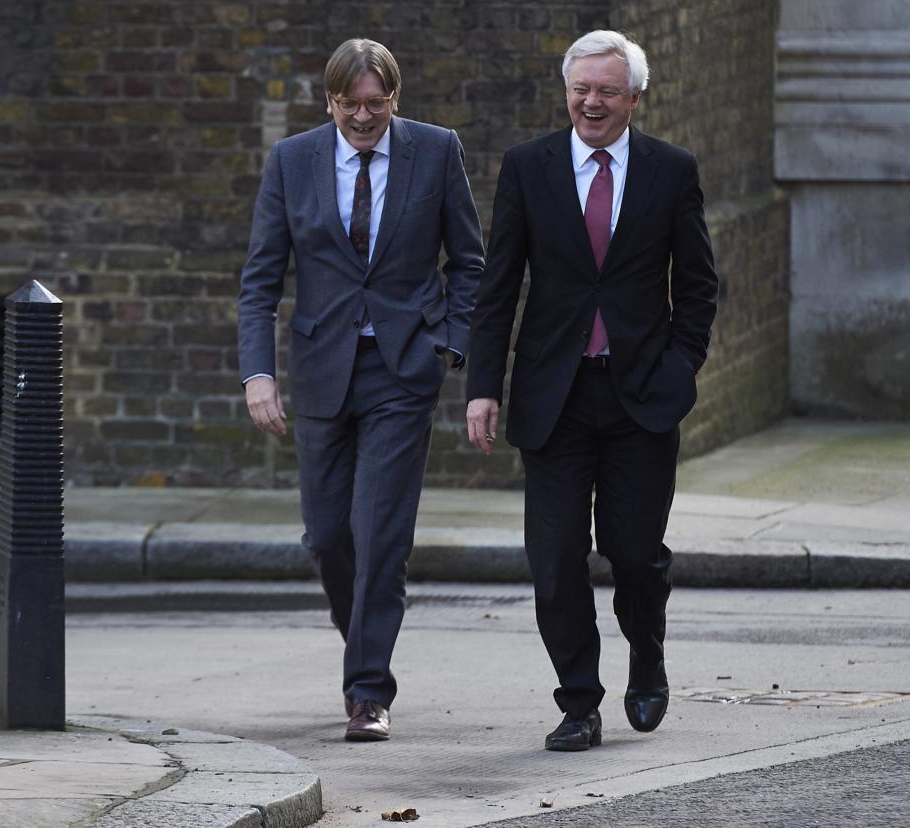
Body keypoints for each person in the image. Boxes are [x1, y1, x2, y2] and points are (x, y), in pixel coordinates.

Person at [465, 30, 718, 752]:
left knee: (635, 555)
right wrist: (484, 387)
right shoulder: (528, 167)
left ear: (634, 97)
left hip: (642, 397)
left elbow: (698, 287)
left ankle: (648, 653)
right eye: (581, 88)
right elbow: (498, 286)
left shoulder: (671, 171)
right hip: (555, 397)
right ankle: (579, 701)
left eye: (607, 90)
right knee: (553, 562)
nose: (591, 101)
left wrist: (680, 367)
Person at [238, 38, 484, 742]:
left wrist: (451, 343)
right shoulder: (293, 162)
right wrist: (259, 374)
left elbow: (470, 261)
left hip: (403, 371)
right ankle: (363, 645)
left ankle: (369, 691)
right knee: (327, 537)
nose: (364, 116)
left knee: (381, 534)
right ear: (331, 101)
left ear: (395, 99)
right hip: (320, 371)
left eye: (377, 104)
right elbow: (259, 281)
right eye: (351, 104)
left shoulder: (436, 152)